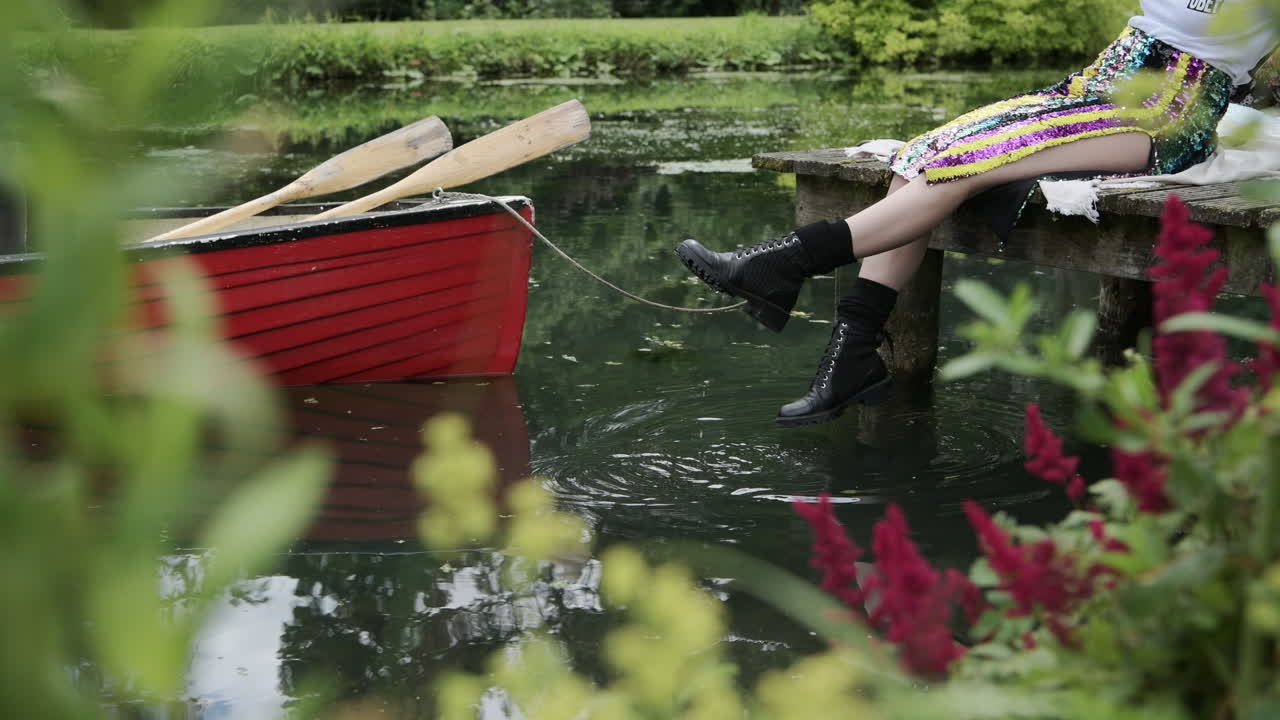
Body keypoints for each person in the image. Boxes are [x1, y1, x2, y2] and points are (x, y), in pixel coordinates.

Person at [676, 0, 1278, 428]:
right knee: (919, 157)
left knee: (969, 163)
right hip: (1100, 79)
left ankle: (784, 262)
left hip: (1171, 107)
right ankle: (852, 355)